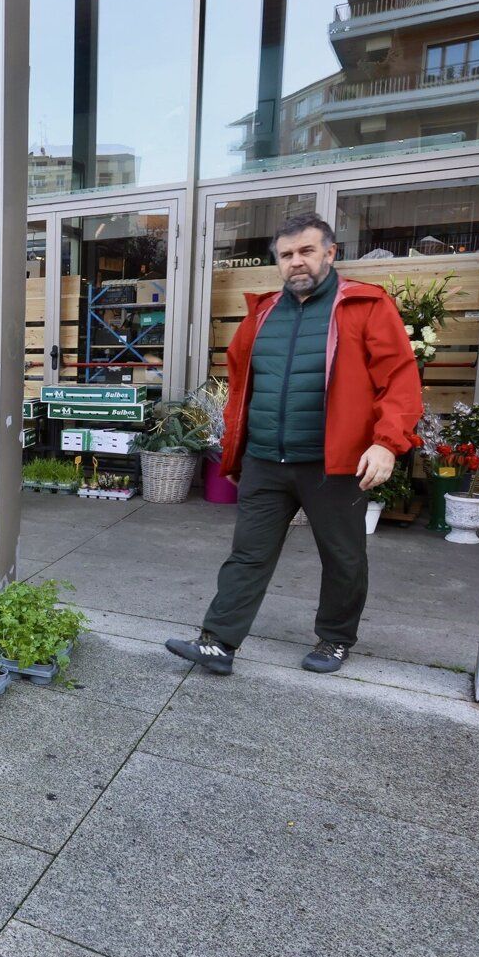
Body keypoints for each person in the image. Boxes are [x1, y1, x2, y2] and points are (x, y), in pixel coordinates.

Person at [166, 213, 423, 676]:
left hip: (333, 464)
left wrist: (387, 443)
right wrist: (235, 439)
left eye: (306, 251)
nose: (295, 262)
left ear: (330, 253)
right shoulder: (263, 313)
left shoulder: (365, 306)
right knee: (248, 553)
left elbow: (400, 380)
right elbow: (243, 383)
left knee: (343, 557)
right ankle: (218, 641)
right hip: (266, 460)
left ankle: (335, 639)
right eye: (286, 255)